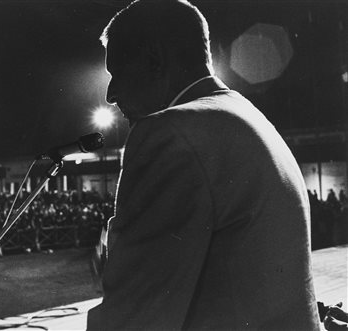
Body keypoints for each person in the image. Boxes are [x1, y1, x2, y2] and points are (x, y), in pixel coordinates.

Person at [86, 0, 320, 330]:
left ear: (155, 62)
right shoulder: (243, 115)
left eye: (118, 73)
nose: (111, 94)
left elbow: (134, 315)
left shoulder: (168, 132)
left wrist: (120, 264)